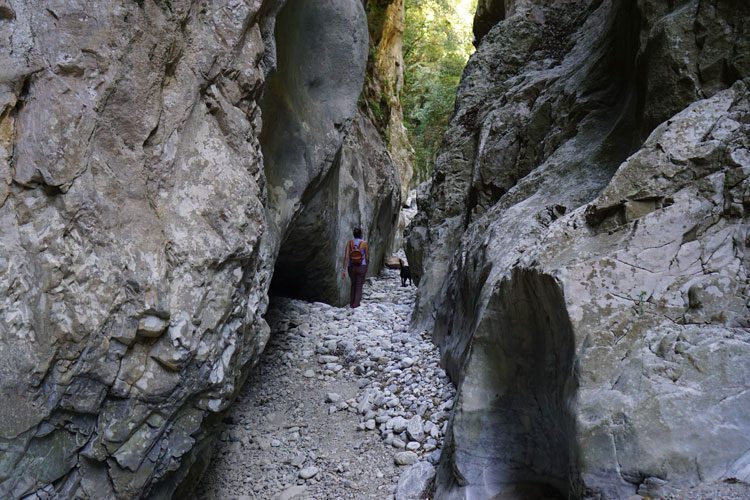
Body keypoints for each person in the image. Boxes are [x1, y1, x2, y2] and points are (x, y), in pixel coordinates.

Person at [341, 228, 368, 308]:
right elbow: (366, 257)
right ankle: (356, 304)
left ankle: (351, 303)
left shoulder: (349, 243)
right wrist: (366, 267)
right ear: (361, 234)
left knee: (353, 284)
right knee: (359, 284)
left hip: (351, 266)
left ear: (353, 234)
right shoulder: (364, 243)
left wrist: (344, 270)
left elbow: (346, 257)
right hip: (361, 266)